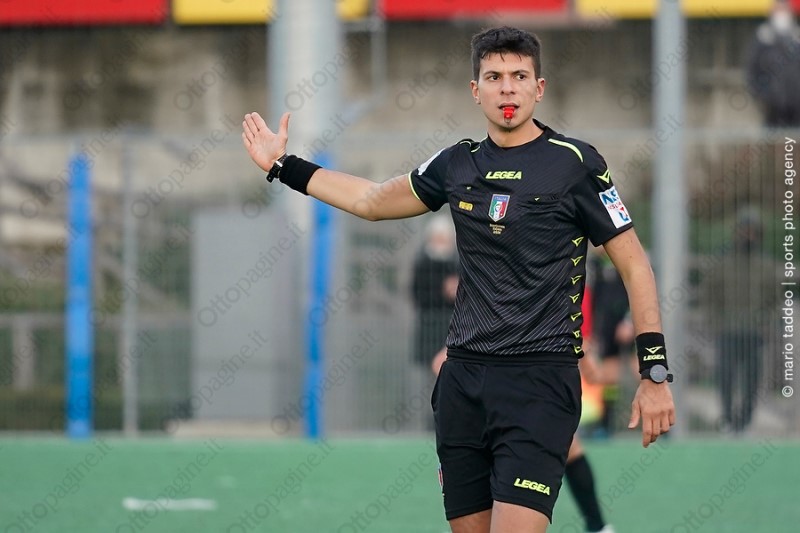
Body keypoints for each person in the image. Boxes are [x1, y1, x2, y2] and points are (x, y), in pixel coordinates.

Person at [242, 26, 675, 533]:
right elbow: (371, 201)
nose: (507, 88)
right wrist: (282, 165)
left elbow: (635, 266)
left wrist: (654, 373)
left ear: (540, 88)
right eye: (494, 77)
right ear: (475, 89)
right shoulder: (456, 163)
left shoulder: (575, 164)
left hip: (540, 384)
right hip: (463, 384)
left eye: (520, 76)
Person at [702, 208, 780, 434]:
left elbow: (775, 300)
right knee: (725, 377)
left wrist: (767, 324)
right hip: (727, 331)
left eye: (752, 231)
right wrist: (715, 323)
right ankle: (727, 419)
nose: (748, 235)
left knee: (752, 381)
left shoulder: (766, 265)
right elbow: (710, 295)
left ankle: (744, 421)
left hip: (754, 332)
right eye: (744, 230)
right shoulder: (722, 262)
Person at [746, 0, 800, 127]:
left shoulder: (797, 37)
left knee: (792, 138)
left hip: (796, 109)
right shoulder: (763, 37)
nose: (782, 14)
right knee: (773, 137)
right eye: (778, 10)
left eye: (785, 10)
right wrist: (763, 96)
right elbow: (752, 71)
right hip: (772, 109)